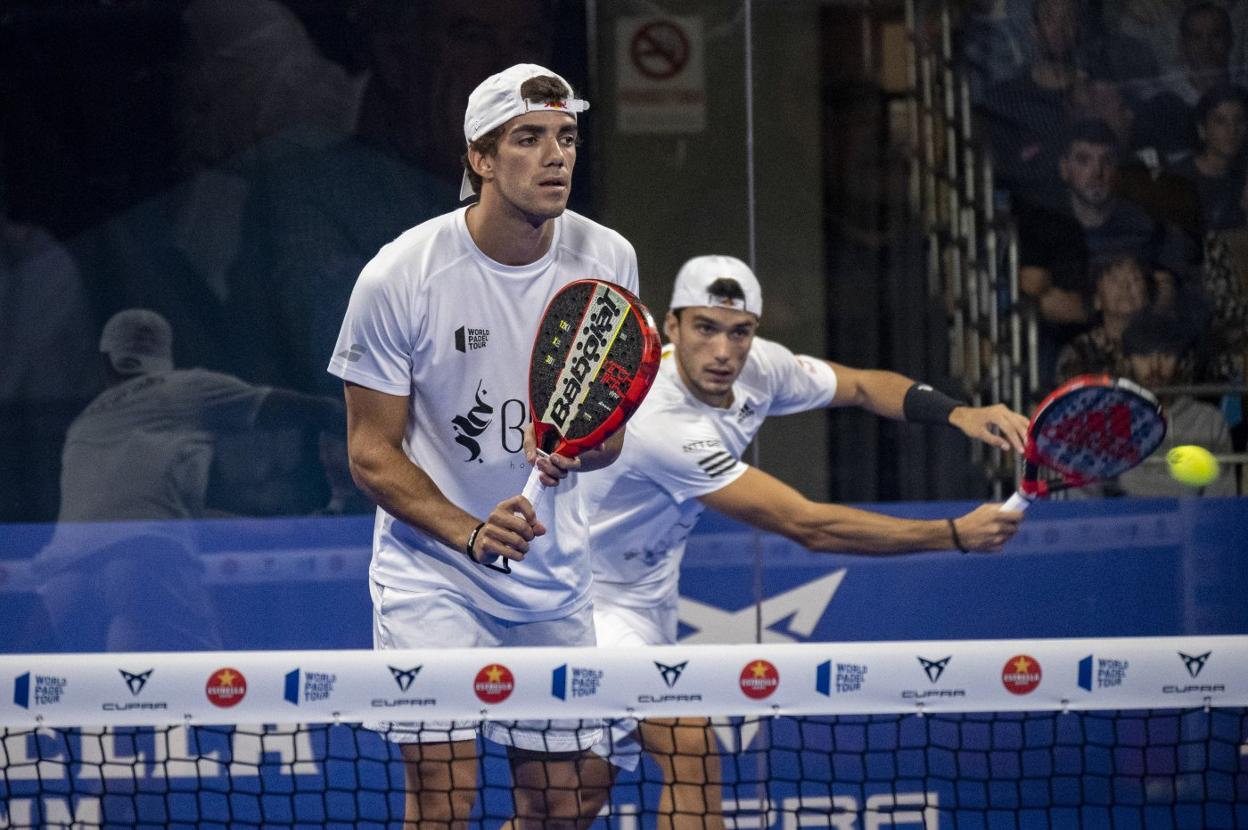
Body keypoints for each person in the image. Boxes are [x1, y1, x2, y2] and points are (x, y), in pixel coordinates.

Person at [571, 256, 1028, 829]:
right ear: (672, 326)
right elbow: (807, 525)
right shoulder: (657, 419)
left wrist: (960, 412)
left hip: (649, 596)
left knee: (572, 804)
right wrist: (953, 534)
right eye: (705, 328)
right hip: (587, 600)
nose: (723, 352)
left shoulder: (759, 368)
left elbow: (862, 386)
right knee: (692, 748)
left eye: (739, 332)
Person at [328, 64, 636, 827]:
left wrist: (582, 450)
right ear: (481, 158)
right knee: (443, 798)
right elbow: (370, 451)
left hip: (550, 570)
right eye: (528, 139)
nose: (556, 155)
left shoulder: (609, 259)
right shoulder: (400, 276)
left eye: (566, 137)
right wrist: (469, 532)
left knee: (566, 802)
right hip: (433, 574)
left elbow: (609, 432)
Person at [34, 309, 347, 652]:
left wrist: (287, 531)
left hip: (64, 579)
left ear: (107, 361)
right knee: (204, 689)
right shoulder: (187, 387)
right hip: (142, 562)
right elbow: (314, 410)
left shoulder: (84, 423)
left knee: (100, 698)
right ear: (166, 355)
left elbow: (159, 513)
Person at [1071, 309, 1236, 497]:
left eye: (1166, 355)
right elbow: (1086, 496)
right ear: (1127, 362)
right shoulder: (1107, 417)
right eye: (1144, 355)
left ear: (1181, 361)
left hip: (1190, 523)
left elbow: (1221, 501)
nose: (1155, 367)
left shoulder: (1209, 420)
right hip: (1125, 522)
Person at [1055, 253, 1153, 382]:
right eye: (1114, 279)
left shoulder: (1165, 344)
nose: (1125, 287)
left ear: (1147, 295)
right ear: (1097, 298)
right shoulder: (1080, 352)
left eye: (1135, 278)